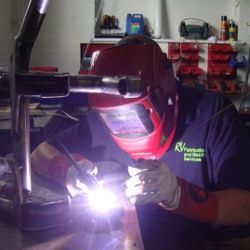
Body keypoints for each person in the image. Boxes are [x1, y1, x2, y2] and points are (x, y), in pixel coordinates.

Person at [31, 35, 250, 250]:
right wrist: (71, 171)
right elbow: (40, 154)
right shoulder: (100, 119)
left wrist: (178, 195)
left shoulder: (213, 113)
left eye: (135, 113)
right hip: (133, 238)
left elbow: (244, 206)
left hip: (200, 241)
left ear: (165, 96)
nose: (124, 124)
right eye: (113, 117)